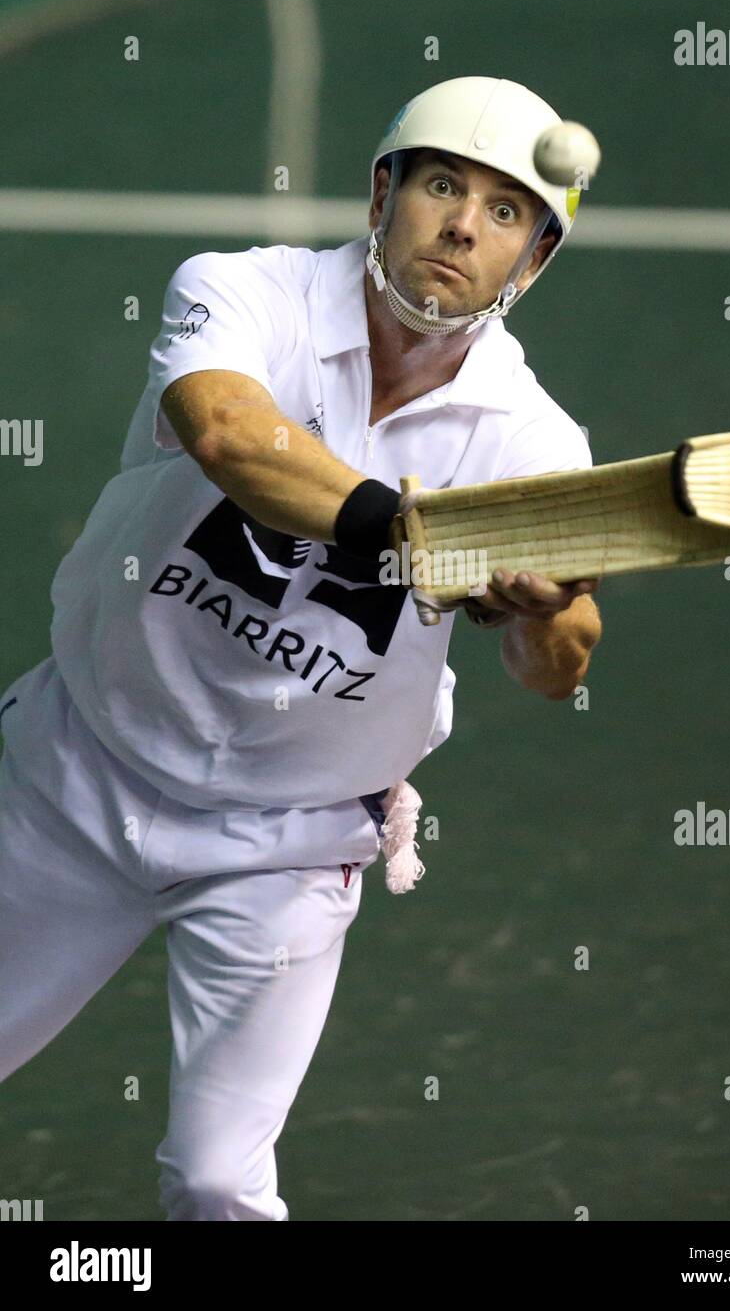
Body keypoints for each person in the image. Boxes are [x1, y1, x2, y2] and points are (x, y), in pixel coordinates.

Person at [0, 76, 601, 1221]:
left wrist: (535, 607)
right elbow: (227, 430)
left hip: (288, 840)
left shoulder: (535, 442)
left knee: (222, 1181)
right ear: (383, 192)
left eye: (507, 213)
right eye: (440, 185)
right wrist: (421, 531)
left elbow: (557, 662)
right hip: (82, 770)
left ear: (532, 261)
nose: (463, 226)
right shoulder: (245, 291)